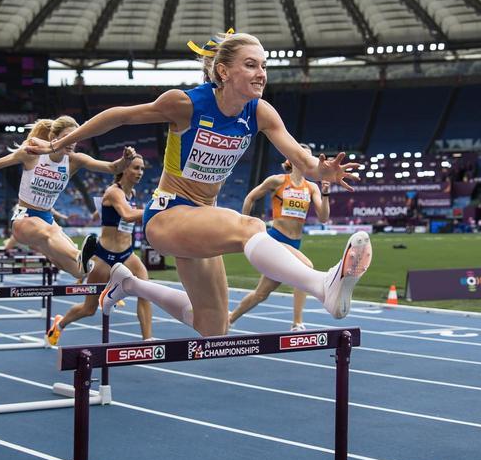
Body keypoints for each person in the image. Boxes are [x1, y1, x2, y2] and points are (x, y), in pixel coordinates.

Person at [24, 30, 371, 337]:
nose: (261, 74)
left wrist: (322, 172)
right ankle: (322, 285)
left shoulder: (260, 112)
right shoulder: (186, 104)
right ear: (224, 71)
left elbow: (302, 158)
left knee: (213, 326)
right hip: (168, 214)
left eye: (264, 66)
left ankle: (130, 284)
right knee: (250, 226)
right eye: (251, 65)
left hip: (203, 218)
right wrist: (56, 146)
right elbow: (120, 115)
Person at [0, 116, 134, 279]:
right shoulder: (32, 155)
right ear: (54, 138)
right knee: (51, 234)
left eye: (76, 138)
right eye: (67, 138)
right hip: (24, 218)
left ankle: (83, 262)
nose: (72, 142)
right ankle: (79, 254)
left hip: (47, 220)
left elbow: (112, 168)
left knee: (80, 273)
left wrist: (125, 160)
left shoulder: (75, 160)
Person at [46, 154, 153, 345]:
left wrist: (98, 213)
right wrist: (156, 211)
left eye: (142, 169)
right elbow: (128, 216)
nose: (140, 173)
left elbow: (114, 213)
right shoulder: (114, 192)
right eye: (136, 168)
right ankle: (59, 325)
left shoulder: (132, 194)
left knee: (145, 292)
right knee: (89, 309)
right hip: (105, 257)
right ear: (124, 169)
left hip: (127, 255)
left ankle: (147, 341)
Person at [228, 145, 331, 330]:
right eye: (302, 155)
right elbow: (251, 197)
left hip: (294, 243)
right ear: (291, 158)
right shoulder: (277, 181)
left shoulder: (312, 187)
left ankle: (229, 319)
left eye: (308, 156)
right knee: (305, 269)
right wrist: (245, 223)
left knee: (261, 294)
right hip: (275, 240)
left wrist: (325, 194)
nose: (306, 159)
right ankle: (297, 323)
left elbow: (324, 217)